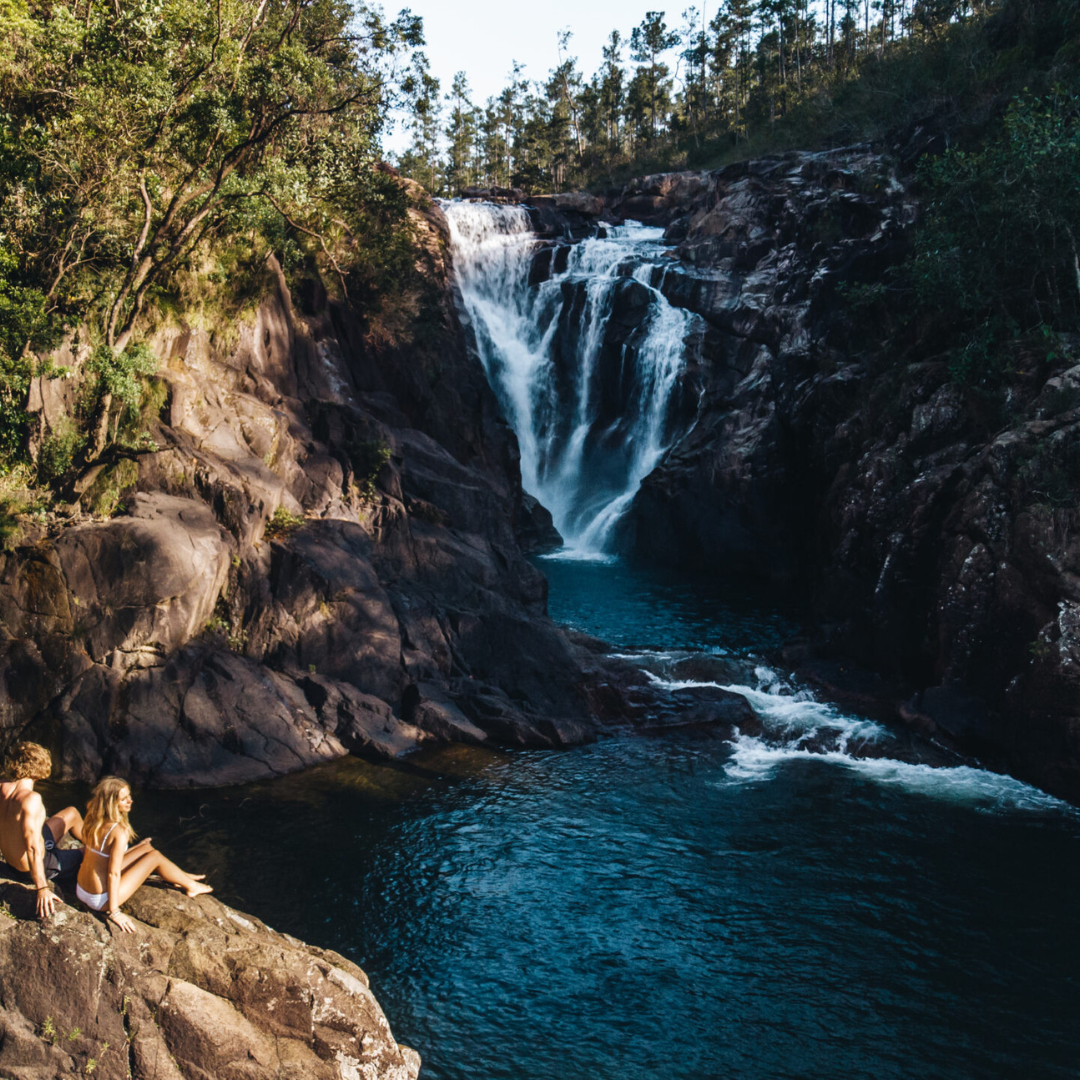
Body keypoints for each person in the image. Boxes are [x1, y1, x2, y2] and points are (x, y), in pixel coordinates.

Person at [76, 776, 211, 933]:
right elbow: (113, 873)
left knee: (146, 848)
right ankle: (192, 886)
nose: (130, 801)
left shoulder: (92, 814)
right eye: (124, 799)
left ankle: (180, 876)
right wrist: (115, 911)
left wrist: (138, 848)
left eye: (129, 796)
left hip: (81, 889)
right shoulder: (118, 832)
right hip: (100, 899)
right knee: (154, 856)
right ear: (112, 804)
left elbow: (102, 857)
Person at [0, 741, 86, 919]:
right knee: (91, 852)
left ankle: (96, 840)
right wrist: (42, 888)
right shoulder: (31, 799)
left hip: (12, 860)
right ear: (41, 769)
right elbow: (32, 847)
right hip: (34, 867)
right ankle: (106, 849)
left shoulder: (2, 787)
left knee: (71, 813)